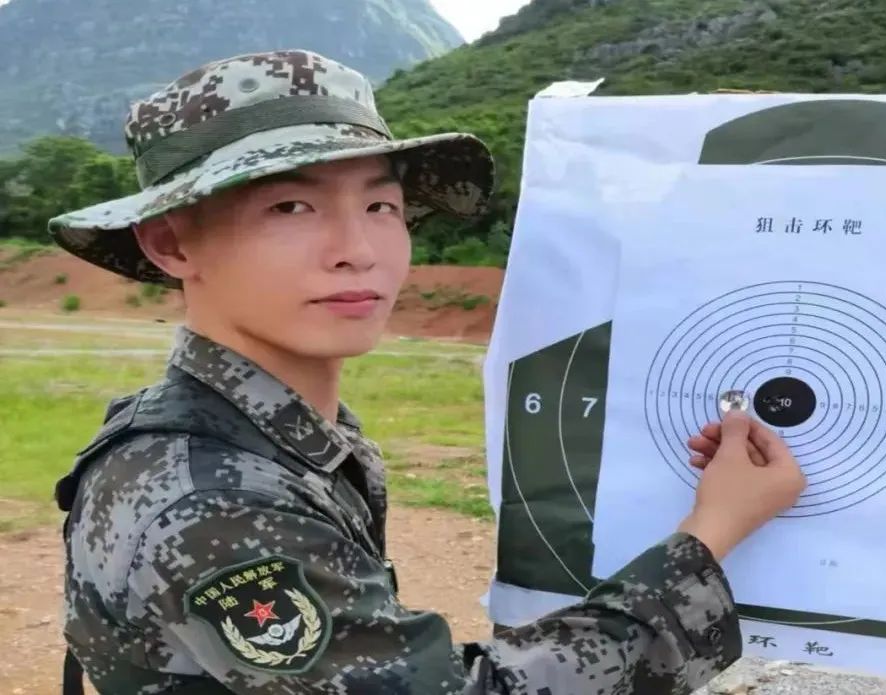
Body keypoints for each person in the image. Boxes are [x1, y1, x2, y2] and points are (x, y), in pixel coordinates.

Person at [50, 48, 807, 694]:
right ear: (171, 244)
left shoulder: (259, 431)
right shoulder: (212, 496)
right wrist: (711, 533)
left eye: (381, 206)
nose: (358, 250)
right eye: (290, 207)